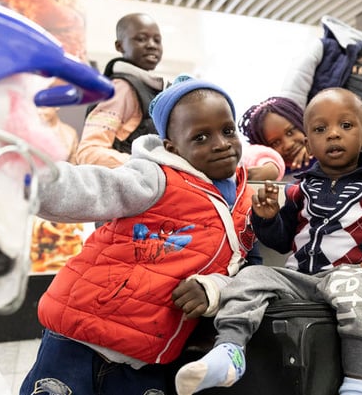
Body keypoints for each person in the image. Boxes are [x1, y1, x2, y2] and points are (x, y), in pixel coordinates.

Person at [19, 76, 257, 395]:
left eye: (228, 131)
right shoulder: (156, 178)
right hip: (79, 335)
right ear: (173, 148)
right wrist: (26, 181)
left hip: (147, 354)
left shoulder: (246, 202)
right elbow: (93, 189)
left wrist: (214, 288)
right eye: (200, 137)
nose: (221, 143)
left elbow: (246, 271)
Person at [176, 88, 362, 395]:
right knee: (250, 277)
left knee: (359, 299)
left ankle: (357, 384)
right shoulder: (298, 189)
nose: (333, 135)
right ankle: (230, 352)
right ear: (309, 142)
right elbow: (280, 241)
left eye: (345, 126)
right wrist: (266, 219)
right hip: (299, 279)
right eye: (320, 129)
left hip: (351, 274)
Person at [76, 12, 167, 168]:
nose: (152, 45)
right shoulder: (122, 88)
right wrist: (153, 166)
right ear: (120, 46)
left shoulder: (153, 89)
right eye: (141, 39)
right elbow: (89, 152)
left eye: (157, 40)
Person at [238, 95, 313, 177]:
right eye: (276, 143)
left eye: (290, 132)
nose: (288, 145)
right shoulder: (273, 172)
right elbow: (251, 153)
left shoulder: (322, 155)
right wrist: (270, 168)